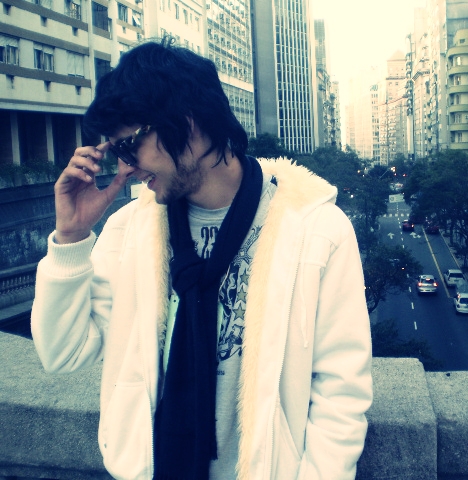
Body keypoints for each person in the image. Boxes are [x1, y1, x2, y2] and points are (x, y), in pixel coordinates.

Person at [31, 38, 372, 480]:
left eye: (129, 146)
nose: (126, 168)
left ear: (187, 123)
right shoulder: (129, 230)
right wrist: (71, 237)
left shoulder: (316, 230)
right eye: (117, 152)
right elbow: (63, 353)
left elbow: (341, 392)